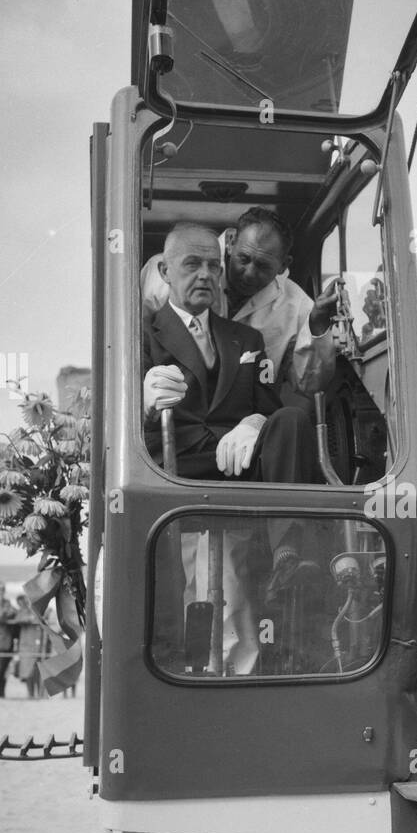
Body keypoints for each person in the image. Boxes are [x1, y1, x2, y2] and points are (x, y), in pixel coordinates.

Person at [142, 222, 321, 671]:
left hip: (234, 461)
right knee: (185, 598)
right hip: (173, 468)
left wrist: (256, 421)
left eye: (212, 266)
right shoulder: (139, 338)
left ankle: (288, 555)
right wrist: (142, 403)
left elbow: (271, 403)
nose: (205, 275)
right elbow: (115, 417)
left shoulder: (247, 340)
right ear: (164, 270)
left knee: (293, 420)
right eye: (191, 265)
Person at [141, 208, 340, 396]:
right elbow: (134, 340)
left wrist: (319, 325)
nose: (250, 273)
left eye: (263, 266)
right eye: (244, 259)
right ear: (230, 241)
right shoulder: (168, 275)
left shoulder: (296, 306)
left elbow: (310, 385)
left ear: (283, 265)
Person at [12, 594, 45, 699]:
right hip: (27, 646)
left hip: (40, 645)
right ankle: (30, 694)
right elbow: (18, 619)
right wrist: (31, 619)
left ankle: (40, 694)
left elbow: (43, 619)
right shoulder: (22, 612)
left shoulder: (41, 609)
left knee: (39, 671)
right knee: (28, 671)